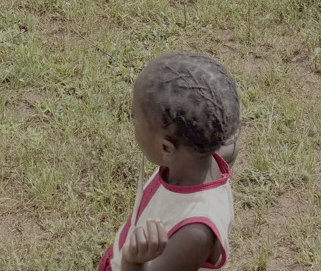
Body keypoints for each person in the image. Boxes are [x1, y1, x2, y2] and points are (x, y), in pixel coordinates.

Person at [100, 53, 240, 271]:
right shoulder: (201, 154)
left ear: (166, 148)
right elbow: (230, 147)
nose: (132, 122)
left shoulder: (194, 233)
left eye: (134, 117)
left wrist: (132, 261)